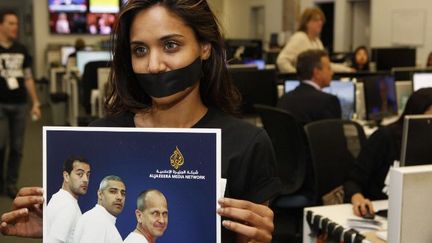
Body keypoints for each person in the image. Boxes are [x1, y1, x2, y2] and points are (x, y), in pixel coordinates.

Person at [1, 0, 281, 242]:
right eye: (140, 50)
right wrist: (62, 231)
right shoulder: (100, 136)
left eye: (170, 45)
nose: (154, 65)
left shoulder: (246, 145)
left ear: (205, 47)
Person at [343, 88, 432, 217]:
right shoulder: (385, 138)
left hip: (417, 211)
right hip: (379, 208)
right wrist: (359, 199)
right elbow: (353, 180)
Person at [0, 9, 41, 198]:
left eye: (16, 23)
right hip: (1, 104)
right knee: (1, 144)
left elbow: (28, 78)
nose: (15, 27)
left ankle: (10, 184)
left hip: (19, 105)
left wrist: (35, 102)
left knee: (17, 147)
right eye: (11, 23)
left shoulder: (22, 50)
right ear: (1, 25)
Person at [276, 7, 352, 73]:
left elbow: (326, 65)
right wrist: (295, 76)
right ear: (306, 22)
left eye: (321, 20)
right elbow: (282, 61)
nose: (320, 23)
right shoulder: (299, 38)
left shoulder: (317, 41)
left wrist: (347, 70)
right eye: (316, 20)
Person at [277, 49, 341, 125]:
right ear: (317, 73)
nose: (332, 72)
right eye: (328, 68)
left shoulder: (284, 99)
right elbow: (334, 135)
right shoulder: (329, 102)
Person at [46, 156, 91, 243]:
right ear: (66, 176)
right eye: (80, 174)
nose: (86, 180)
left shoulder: (60, 199)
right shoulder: (67, 206)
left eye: (88, 175)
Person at [72, 175, 125, 243]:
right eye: (113, 191)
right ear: (100, 194)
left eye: (123, 193)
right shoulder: (96, 220)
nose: (120, 197)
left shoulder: (101, 219)